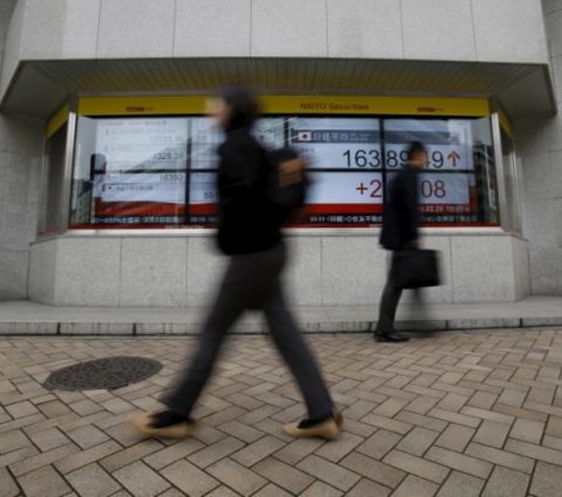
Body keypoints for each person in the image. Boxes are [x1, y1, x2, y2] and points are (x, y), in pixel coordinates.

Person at [128, 86, 342, 441]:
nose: (211, 107)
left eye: (218, 102)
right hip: (269, 252)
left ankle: (176, 414)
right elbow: (261, 200)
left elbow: (245, 203)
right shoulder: (251, 146)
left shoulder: (236, 146)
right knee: (287, 336)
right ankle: (321, 413)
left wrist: (226, 236)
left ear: (231, 110)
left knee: (212, 332)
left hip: (251, 257)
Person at [375, 141, 428, 343]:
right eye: (425, 155)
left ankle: (419, 325)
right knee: (396, 284)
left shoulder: (404, 175)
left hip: (400, 238)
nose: (427, 159)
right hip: (403, 239)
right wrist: (413, 236)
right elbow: (409, 209)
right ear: (418, 154)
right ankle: (384, 329)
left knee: (406, 282)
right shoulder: (409, 176)